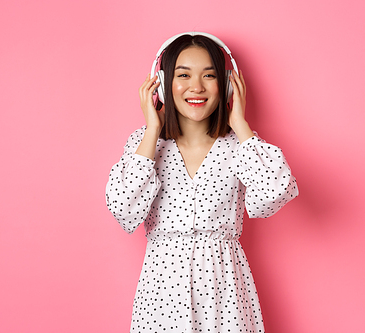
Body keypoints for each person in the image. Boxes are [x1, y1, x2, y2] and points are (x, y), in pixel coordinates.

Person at [106, 32, 298, 333]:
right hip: (162, 294)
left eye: (209, 76)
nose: (196, 87)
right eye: (183, 75)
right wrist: (151, 129)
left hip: (224, 290)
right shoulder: (144, 145)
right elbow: (124, 210)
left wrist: (241, 125)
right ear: (162, 84)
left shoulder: (241, 146)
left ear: (226, 84)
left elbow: (276, 192)